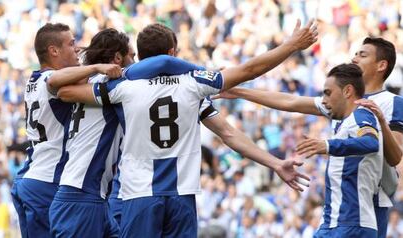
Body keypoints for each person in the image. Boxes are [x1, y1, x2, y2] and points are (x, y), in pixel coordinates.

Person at [56, 20, 317, 237]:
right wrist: (290, 46)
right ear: (172, 52)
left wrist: (123, 71)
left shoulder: (121, 87)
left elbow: (64, 91)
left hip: (139, 195)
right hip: (182, 196)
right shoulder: (193, 85)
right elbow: (232, 124)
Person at [215, 37, 403, 238]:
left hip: (370, 201)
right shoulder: (341, 101)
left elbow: (394, 156)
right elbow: (291, 101)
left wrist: (378, 124)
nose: (355, 57)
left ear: (382, 65)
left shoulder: (390, 103)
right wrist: (239, 91)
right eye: (355, 53)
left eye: (362, 55)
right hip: (339, 203)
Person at [10, 23, 121, 238]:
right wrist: (96, 67)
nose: (77, 49)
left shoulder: (32, 80)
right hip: (47, 181)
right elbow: (55, 80)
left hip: (30, 178)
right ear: (54, 51)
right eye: (71, 44)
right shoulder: (49, 80)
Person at [47, 28, 132, 237]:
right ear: (118, 58)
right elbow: (55, 85)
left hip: (92, 197)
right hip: (80, 197)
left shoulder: (86, 83)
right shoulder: (112, 87)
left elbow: (60, 88)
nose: (135, 61)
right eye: (133, 56)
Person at [297, 63, 382, 237]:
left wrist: (328, 145)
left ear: (347, 91)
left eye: (328, 93)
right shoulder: (343, 123)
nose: (323, 100)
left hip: (353, 225)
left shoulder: (361, 115)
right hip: (333, 224)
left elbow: (371, 142)